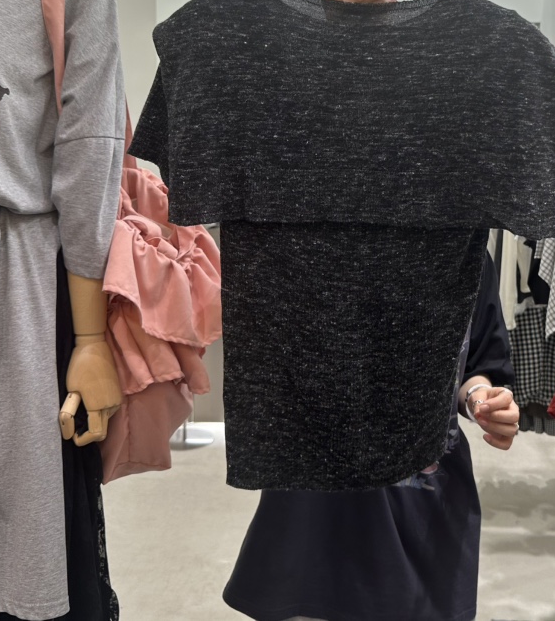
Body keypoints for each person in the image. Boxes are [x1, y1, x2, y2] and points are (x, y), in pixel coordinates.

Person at [223, 38, 520, 619]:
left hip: (423, 504)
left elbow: (477, 363)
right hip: (313, 512)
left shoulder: (462, 256)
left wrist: (484, 399)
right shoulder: (294, 252)